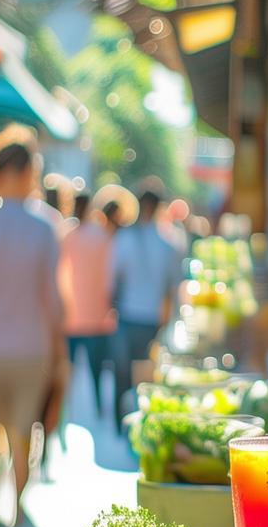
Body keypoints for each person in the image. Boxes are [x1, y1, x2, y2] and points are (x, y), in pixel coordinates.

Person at [0, 125, 66, 520]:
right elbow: (53, 299)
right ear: (29, 172)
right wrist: (61, 354)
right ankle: (17, 506)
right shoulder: (45, 225)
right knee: (23, 435)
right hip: (31, 349)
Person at [111, 183, 183, 427]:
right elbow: (172, 286)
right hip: (151, 317)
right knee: (146, 375)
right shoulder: (166, 243)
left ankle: (122, 422)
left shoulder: (124, 238)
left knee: (124, 372)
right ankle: (142, 422)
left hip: (129, 314)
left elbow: (114, 277)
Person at [58, 190, 115, 415]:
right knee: (97, 371)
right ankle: (99, 408)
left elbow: (60, 275)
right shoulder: (102, 236)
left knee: (68, 371)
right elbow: (110, 275)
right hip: (97, 315)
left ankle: (66, 412)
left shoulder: (67, 235)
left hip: (72, 315)